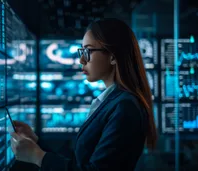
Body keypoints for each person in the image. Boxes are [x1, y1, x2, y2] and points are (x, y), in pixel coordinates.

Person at [10, 18, 157, 171]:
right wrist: (36, 143)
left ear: (113, 56)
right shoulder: (114, 101)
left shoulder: (124, 107)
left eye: (88, 51)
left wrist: (37, 156)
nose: (81, 60)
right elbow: (79, 164)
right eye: (82, 51)